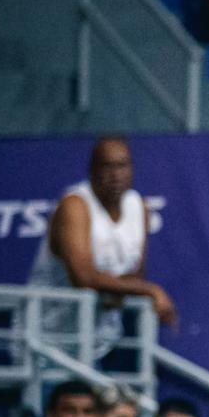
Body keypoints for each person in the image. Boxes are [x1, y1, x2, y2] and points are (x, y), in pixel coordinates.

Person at [28, 136, 177, 358]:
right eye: (107, 166)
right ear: (92, 170)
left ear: (132, 169)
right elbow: (83, 278)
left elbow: (136, 272)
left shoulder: (139, 207)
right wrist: (150, 290)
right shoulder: (75, 205)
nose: (116, 174)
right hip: (47, 343)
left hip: (100, 343)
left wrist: (119, 289)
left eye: (122, 165)